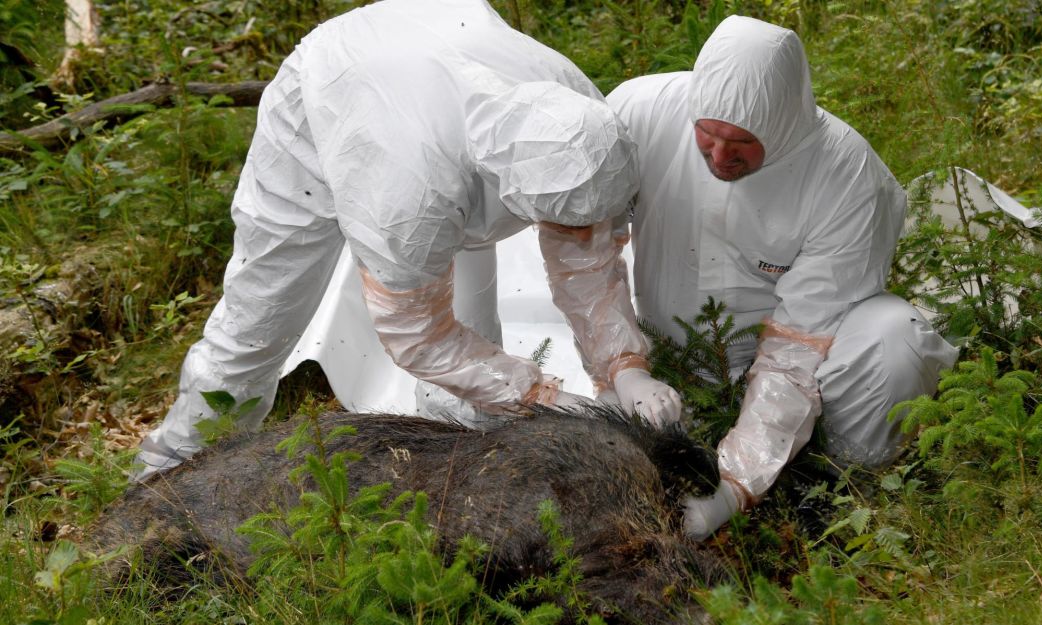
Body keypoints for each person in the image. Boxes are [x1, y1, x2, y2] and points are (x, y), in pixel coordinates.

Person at [133, 0, 681, 481]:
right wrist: (541, 395)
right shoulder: (407, 196)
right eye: (558, 222)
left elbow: (587, 257)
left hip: (438, 64)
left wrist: (622, 370)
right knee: (262, 316)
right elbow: (418, 334)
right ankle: (173, 468)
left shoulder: (581, 117)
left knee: (476, 327)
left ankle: (456, 453)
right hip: (332, 88)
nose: (572, 235)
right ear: (505, 187)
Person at [606, 16, 959, 540]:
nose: (720, 156)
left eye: (742, 142)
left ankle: (840, 489)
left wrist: (733, 488)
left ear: (785, 125)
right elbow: (588, 251)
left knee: (895, 340)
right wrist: (624, 365)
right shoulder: (639, 112)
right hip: (658, 359)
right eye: (707, 132)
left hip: (792, 365)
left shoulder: (847, 177)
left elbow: (796, 351)